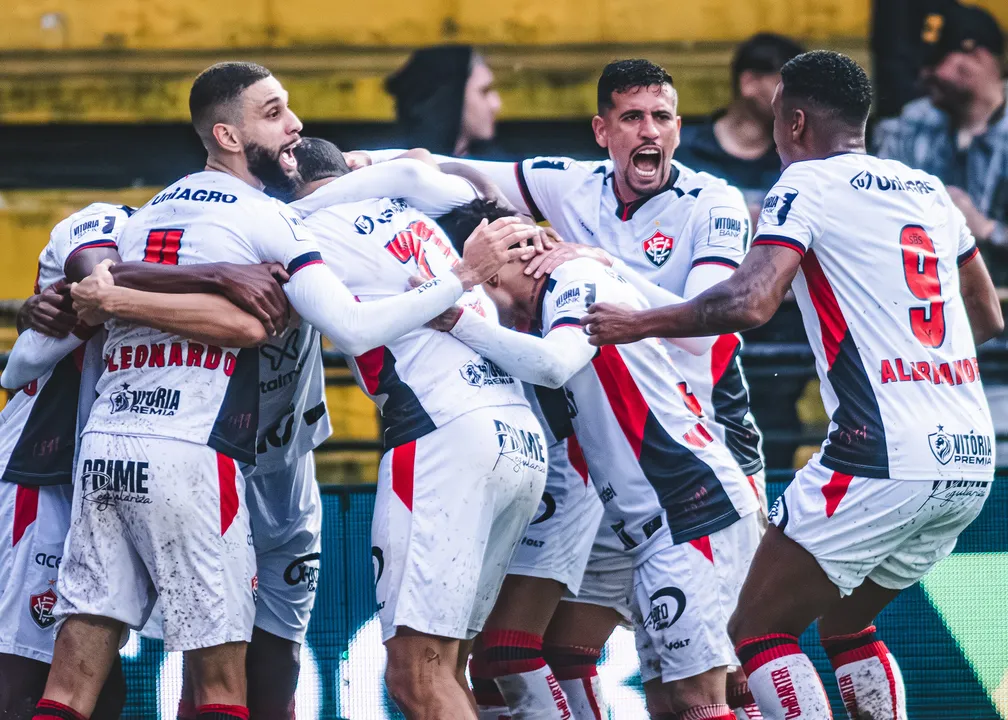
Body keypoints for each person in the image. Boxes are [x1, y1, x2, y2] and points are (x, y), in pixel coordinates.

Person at [30, 61, 523, 720]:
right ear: (229, 136)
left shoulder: (138, 220)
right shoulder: (274, 221)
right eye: (273, 112)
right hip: (201, 453)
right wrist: (459, 279)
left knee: (74, 669)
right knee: (219, 679)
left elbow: (66, 322)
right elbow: (333, 324)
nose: (294, 123)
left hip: (112, 447)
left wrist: (115, 294)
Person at [582, 50, 1003, 720]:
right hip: (972, 458)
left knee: (755, 632)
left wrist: (639, 322)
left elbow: (750, 303)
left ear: (796, 121)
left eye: (778, 116)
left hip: (880, 454)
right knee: (843, 625)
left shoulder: (803, 184)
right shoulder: (924, 189)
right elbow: (986, 315)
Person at [286, 139, 550, 720]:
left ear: (286, 169)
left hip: (442, 434)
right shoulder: (413, 209)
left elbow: (351, 330)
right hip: (517, 433)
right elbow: (421, 165)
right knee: (448, 665)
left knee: (415, 673)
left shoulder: (297, 229)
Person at [1, 202, 286, 720]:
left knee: (99, 684)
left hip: (107, 453)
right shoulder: (109, 220)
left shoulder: (203, 240)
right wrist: (223, 275)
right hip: (40, 468)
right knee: (22, 675)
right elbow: (99, 282)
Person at [874, 3, 1008, 282]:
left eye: (935, 62)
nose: (924, 74)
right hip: (929, 307)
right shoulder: (910, 127)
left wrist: (984, 229)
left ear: (977, 57)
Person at [676, 33, 804, 220]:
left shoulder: (798, 161)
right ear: (749, 83)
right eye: (787, 85)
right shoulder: (682, 151)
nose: (798, 98)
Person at [385, 45, 502, 158]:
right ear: (451, 97)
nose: (496, 104)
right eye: (484, 91)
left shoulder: (496, 169)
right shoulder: (395, 170)